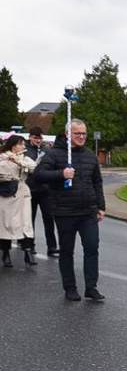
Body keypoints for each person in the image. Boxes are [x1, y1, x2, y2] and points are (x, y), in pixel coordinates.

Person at [33, 118, 106, 302]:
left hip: (88, 211)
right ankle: (70, 287)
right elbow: (38, 175)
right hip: (65, 211)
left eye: (84, 134)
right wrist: (61, 174)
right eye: (77, 134)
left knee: (91, 247)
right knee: (66, 251)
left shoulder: (90, 155)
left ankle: (91, 287)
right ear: (68, 134)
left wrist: (101, 206)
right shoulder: (54, 154)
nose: (81, 137)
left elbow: (97, 181)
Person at [0, 135, 39, 268]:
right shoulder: (2, 157)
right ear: (13, 145)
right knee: (6, 224)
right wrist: (6, 160)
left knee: (26, 223)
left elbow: (34, 168)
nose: (24, 146)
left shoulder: (24, 158)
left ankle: (27, 253)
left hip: (22, 193)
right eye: (21, 144)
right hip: (6, 194)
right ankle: (5, 253)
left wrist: (19, 162)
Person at [24, 126, 59, 256]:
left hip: (44, 189)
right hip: (30, 188)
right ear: (30, 137)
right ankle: (30, 245)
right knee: (30, 218)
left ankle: (52, 246)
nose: (38, 140)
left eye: (40, 138)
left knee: (49, 218)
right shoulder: (24, 150)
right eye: (35, 138)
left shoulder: (46, 150)